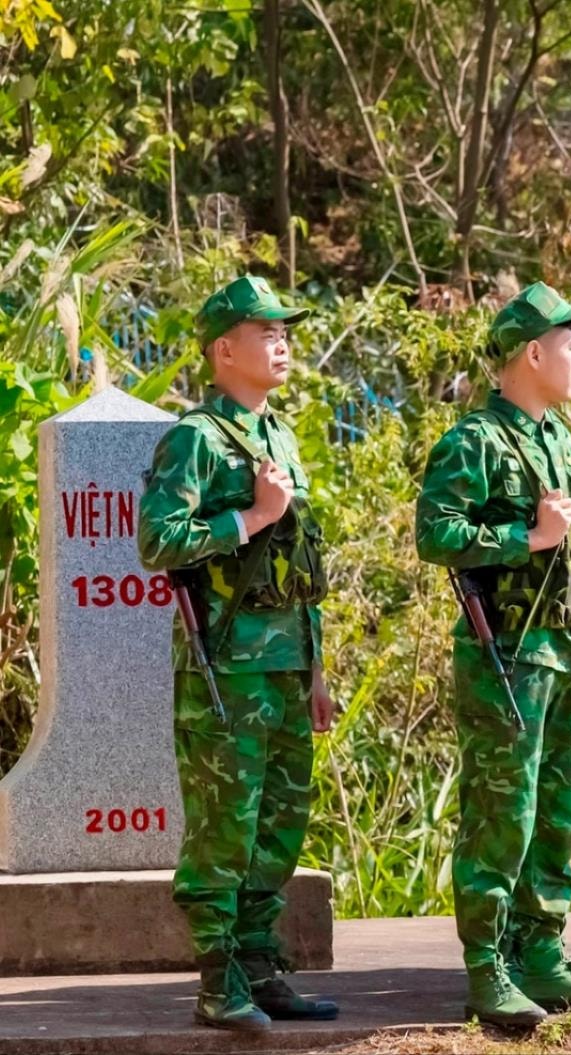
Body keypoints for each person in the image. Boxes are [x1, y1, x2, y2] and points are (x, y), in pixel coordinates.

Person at [415, 282, 571, 1027]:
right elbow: (435, 534)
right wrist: (523, 538)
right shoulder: (475, 440)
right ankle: (488, 965)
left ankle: (541, 952)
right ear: (532, 353)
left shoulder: (562, 443)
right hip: (505, 654)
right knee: (501, 813)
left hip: (563, 656)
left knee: (559, 814)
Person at [138, 275, 339, 1032]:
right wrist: (253, 513)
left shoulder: (277, 433)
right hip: (227, 664)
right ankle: (218, 978)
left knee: (279, 823)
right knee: (225, 823)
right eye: (266, 330)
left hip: (285, 664)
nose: (282, 339)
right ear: (224, 349)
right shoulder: (194, 437)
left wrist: (316, 668)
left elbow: (302, 564)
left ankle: (261, 963)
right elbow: (157, 540)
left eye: (286, 327)